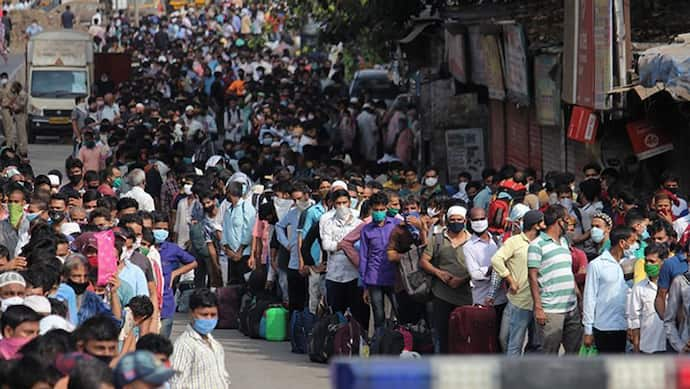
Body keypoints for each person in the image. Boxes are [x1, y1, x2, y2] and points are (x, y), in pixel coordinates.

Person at [527, 204, 582, 354]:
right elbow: (532, 277)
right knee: (549, 353)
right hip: (550, 310)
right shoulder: (536, 245)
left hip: (571, 308)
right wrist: (538, 308)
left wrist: (578, 295)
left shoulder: (564, 242)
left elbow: (567, 271)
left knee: (574, 352)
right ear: (559, 221)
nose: (569, 223)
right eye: (567, 219)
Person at [419, 205, 472, 354]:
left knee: (463, 334)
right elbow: (424, 261)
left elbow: (481, 268)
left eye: (459, 219)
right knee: (441, 334)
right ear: (447, 221)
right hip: (441, 295)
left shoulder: (472, 241)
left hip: (466, 296)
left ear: (465, 220)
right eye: (452, 220)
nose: (456, 222)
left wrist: (462, 279)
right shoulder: (437, 239)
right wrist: (439, 273)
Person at [491, 210, 544, 356]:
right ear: (536, 225)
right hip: (518, 301)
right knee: (508, 341)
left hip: (539, 301)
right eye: (542, 222)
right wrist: (510, 279)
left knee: (533, 345)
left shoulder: (544, 242)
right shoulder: (514, 242)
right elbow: (496, 259)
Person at [582, 226, 634, 353]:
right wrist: (588, 330)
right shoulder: (597, 265)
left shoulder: (632, 264)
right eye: (632, 242)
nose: (635, 246)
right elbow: (590, 297)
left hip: (626, 327)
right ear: (622, 243)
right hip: (605, 327)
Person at [170, 288, 230, 388]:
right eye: (204, 315)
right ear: (191, 313)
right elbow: (176, 382)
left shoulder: (215, 345)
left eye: (213, 315)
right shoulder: (185, 345)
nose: (209, 319)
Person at [359, 191, 400, 329]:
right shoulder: (366, 230)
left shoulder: (397, 224)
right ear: (371, 209)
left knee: (400, 312)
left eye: (382, 210)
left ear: (387, 208)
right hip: (374, 278)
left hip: (394, 276)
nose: (379, 213)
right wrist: (364, 286)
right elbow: (364, 257)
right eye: (376, 210)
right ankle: (380, 346)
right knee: (378, 316)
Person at [628, 243, 668, 354]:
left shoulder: (674, 285)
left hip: (670, 347)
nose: (648, 264)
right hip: (647, 347)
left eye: (652, 261)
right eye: (647, 261)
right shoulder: (639, 288)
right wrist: (636, 348)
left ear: (663, 262)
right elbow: (635, 320)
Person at [221, 181, 255, 284]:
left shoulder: (246, 207)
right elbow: (225, 232)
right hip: (231, 254)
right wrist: (228, 249)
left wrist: (240, 251)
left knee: (244, 283)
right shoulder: (228, 210)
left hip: (244, 254)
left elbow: (249, 230)